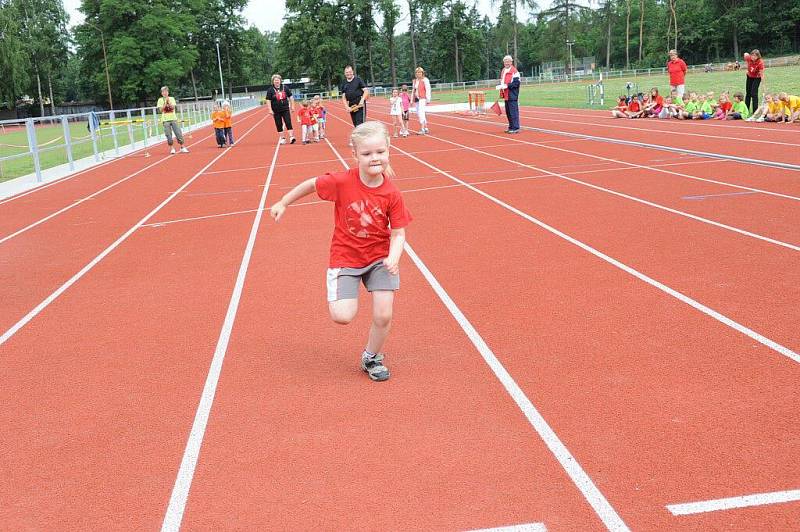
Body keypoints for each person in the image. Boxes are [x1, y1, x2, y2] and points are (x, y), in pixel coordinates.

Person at [269, 121, 413, 382]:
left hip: (380, 258)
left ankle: (372, 357)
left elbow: (399, 233)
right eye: (367, 154)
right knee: (342, 316)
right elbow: (311, 184)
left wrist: (393, 257)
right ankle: (341, 286)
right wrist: (283, 202)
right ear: (355, 155)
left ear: (389, 151)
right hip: (346, 257)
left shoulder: (392, 193)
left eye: (380, 152)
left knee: (384, 314)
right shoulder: (343, 181)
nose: (374, 158)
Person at [157, 86, 188, 154]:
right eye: (163, 92)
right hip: (165, 120)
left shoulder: (172, 98)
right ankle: (172, 148)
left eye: (166, 91)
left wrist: (169, 102)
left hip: (173, 118)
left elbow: (173, 108)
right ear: (162, 93)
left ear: (168, 92)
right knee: (168, 135)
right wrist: (165, 104)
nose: (165, 93)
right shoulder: (160, 100)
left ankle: (182, 147)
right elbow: (160, 110)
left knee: (178, 133)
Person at [266, 74, 296, 145]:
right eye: (275, 80)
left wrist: (293, 106)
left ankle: (291, 137)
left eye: (278, 80)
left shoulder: (285, 87)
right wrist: (270, 109)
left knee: (288, 122)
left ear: (280, 80)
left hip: (285, 109)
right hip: (276, 110)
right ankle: (282, 138)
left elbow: (291, 97)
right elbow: (268, 100)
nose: (277, 81)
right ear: (273, 81)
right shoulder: (270, 90)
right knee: (278, 124)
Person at [497, 55, 521, 133]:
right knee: (508, 112)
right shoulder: (503, 70)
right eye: (505, 61)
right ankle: (511, 127)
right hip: (505, 94)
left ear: (511, 62)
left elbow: (516, 83)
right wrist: (501, 86)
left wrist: (507, 85)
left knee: (513, 111)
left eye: (508, 61)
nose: (506, 63)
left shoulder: (515, 71)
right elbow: (502, 80)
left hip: (512, 94)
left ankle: (515, 127)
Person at [743, 50, 765, 114]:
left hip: (757, 78)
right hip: (749, 76)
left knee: (754, 93)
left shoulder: (760, 62)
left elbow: (762, 74)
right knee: (748, 93)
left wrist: (763, 85)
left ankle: (755, 111)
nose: (753, 57)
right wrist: (746, 54)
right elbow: (745, 53)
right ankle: (746, 110)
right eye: (752, 55)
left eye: (755, 56)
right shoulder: (748, 58)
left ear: (758, 56)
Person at [411, 67, 432, 134]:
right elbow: (413, 90)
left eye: (420, 72)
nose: (418, 73)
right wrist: (411, 100)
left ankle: (422, 128)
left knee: (421, 112)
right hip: (416, 99)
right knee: (418, 113)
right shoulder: (415, 81)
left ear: (422, 73)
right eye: (417, 72)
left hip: (422, 98)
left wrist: (428, 99)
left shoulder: (425, 80)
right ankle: (426, 128)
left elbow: (428, 89)